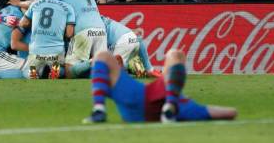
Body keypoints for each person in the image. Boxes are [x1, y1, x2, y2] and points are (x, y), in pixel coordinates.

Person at [83, 49, 237, 124]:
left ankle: (99, 110)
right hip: (170, 105)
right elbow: (231, 112)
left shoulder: (185, 104)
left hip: (133, 102)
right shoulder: (186, 105)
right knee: (175, 54)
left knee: (102, 56)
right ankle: (168, 109)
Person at [46, 0, 108, 78]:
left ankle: (92, 62)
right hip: (101, 28)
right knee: (99, 74)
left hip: (83, 30)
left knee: (69, 70)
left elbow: (41, 2)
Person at [19, 0, 75, 79]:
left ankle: (32, 73)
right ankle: (56, 71)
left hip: (36, 50)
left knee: (26, 71)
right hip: (56, 50)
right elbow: (69, 34)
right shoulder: (68, 7)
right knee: (62, 69)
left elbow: (23, 24)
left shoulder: (36, 3)